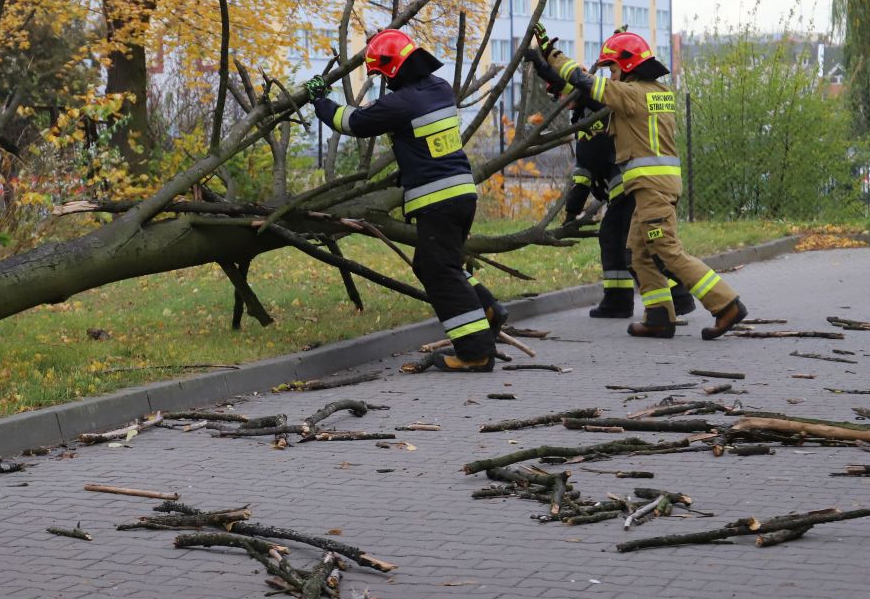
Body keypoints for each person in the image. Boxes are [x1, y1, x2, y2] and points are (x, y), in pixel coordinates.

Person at [306, 28, 505, 372]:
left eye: (383, 74)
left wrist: (320, 100)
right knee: (437, 264)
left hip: (438, 200)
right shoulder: (440, 89)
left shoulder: (401, 102)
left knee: (438, 270)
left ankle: (476, 351)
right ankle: (487, 309)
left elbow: (352, 121)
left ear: (395, 68)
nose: (383, 81)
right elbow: (427, 143)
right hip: (461, 194)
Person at [536, 26, 748, 339]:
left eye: (613, 68)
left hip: (652, 188)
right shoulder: (657, 93)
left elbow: (584, 82)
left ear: (629, 65)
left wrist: (551, 56)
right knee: (638, 252)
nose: (610, 76)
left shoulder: (631, 94)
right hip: (657, 186)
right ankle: (659, 317)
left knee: (665, 250)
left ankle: (726, 304)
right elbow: (594, 102)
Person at [524, 46, 695, 320]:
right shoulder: (583, 119)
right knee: (625, 243)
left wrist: (544, 62)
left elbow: (575, 85)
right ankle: (632, 300)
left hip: (631, 188)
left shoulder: (596, 107)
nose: (560, 100)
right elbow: (583, 172)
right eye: (556, 96)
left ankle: (664, 298)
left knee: (637, 245)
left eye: (561, 95)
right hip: (628, 189)